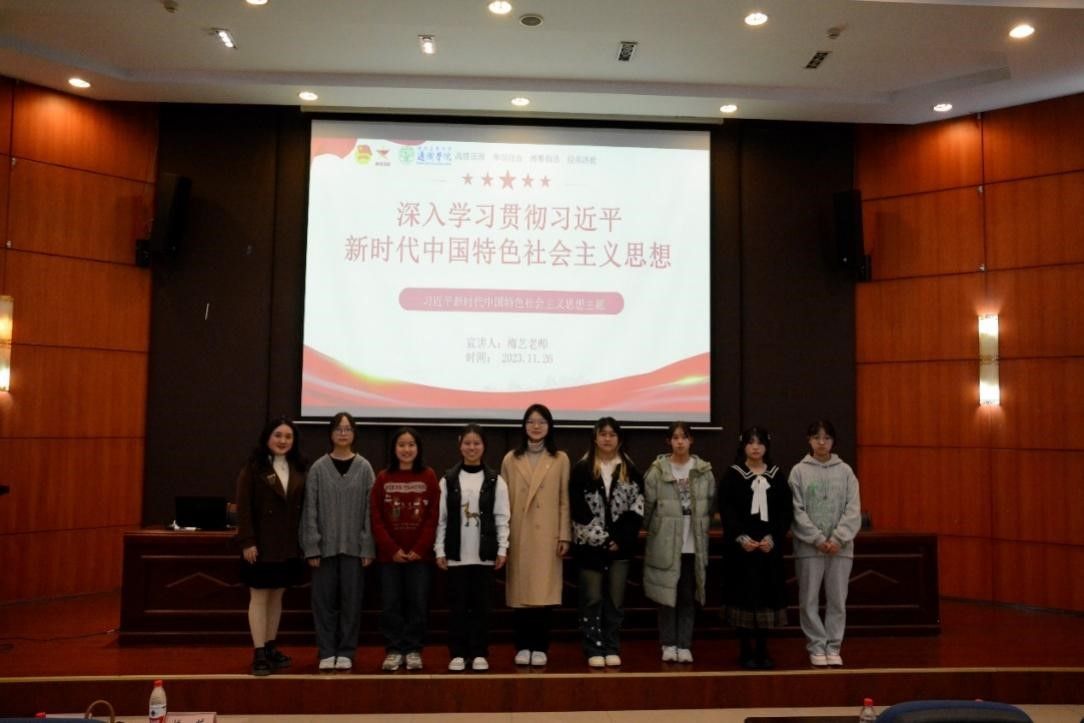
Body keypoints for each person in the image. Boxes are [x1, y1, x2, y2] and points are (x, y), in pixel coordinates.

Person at [299, 412, 375, 672]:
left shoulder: (364, 468)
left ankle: (346, 651)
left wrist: (367, 546)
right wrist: (312, 546)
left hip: (355, 550)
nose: (343, 433)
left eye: (348, 429)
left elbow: (370, 510)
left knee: (351, 603)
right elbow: (310, 509)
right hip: (324, 550)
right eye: (338, 429)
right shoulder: (319, 468)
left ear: (354, 433)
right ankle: (326, 650)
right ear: (331, 433)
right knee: (323, 604)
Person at [569, 416, 645, 668]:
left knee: (615, 599)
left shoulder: (630, 470)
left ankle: (612, 645)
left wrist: (620, 539)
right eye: (603, 434)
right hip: (590, 548)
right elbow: (577, 508)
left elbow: (637, 507)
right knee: (591, 598)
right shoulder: (581, 469)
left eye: (612, 434)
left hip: (620, 549)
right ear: (595, 438)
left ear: (619, 439)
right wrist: (602, 539)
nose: (607, 439)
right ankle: (593, 646)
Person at [434, 423, 510, 672]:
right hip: (456, 554)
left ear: (484, 446)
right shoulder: (448, 479)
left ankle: (479, 652)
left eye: (476, 443)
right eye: (467, 443)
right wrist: (440, 549)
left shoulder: (495, 480)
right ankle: (457, 652)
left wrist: (502, 548)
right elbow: (441, 518)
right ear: (460, 445)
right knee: (457, 607)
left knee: (481, 607)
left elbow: (502, 517)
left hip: (484, 555)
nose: (472, 447)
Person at [235, 416, 308, 676]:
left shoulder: (299, 467)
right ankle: (258, 653)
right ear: (267, 437)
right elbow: (243, 508)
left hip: (287, 546)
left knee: (277, 597)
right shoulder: (253, 467)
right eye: (278, 435)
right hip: (261, 546)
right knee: (259, 597)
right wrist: (247, 541)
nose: (283, 440)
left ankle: (270, 646)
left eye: (288, 436)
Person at [501, 403, 571, 667]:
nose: (536, 426)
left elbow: (564, 500)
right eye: (531, 421)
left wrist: (564, 535)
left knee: (543, 593)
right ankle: (522, 646)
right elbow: (502, 504)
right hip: (519, 532)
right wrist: (503, 539)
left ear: (549, 426)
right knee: (521, 593)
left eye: (541, 421)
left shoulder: (560, 458)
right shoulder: (511, 459)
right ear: (524, 426)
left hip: (547, 534)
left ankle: (540, 646)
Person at [788, 419, 862, 668]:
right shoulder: (798, 471)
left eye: (827, 438)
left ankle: (833, 646)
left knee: (837, 600)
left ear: (833, 441)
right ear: (809, 440)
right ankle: (816, 645)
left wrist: (838, 538)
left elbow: (853, 509)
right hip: (810, 549)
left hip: (841, 549)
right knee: (809, 600)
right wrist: (818, 539)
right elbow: (796, 511)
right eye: (816, 438)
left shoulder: (846, 471)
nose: (822, 443)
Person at [719, 426, 792, 669]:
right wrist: (740, 537)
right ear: (743, 446)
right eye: (750, 442)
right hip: (741, 551)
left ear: (766, 446)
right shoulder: (733, 475)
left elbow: (785, 511)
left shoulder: (777, 475)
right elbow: (726, 510)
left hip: (768, 550)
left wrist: (774, 537)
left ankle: (762, 649)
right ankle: (745, 650)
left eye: (760, 442)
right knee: (743, 598)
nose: (755, 447)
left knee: (765, 598)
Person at [642, 421, 715, 664]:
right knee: (666, 597)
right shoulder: (657, 471)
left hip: (693, 544)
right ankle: (668, 643)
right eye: (675, 438)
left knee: (687, 596)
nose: (680, 442)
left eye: (684, 437)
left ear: (691, 440)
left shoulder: (703, 471)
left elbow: (710, 505)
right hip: (665, 544)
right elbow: (647, 508)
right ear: (669, 441)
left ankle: (684, 644)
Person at [371, 426, 440, 672]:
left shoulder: (429, 476)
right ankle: (393, 649)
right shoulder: (383, 477)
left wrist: (420, 547)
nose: (406, 449)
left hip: (420, 557)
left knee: (417, 603)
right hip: (390, 557)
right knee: (391, 604)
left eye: (411, 444)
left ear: (418, 449)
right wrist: (392, 549)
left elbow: (433, 516)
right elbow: (376, 517)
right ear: (394, 449)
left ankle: (413, 649)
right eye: (401, 444)